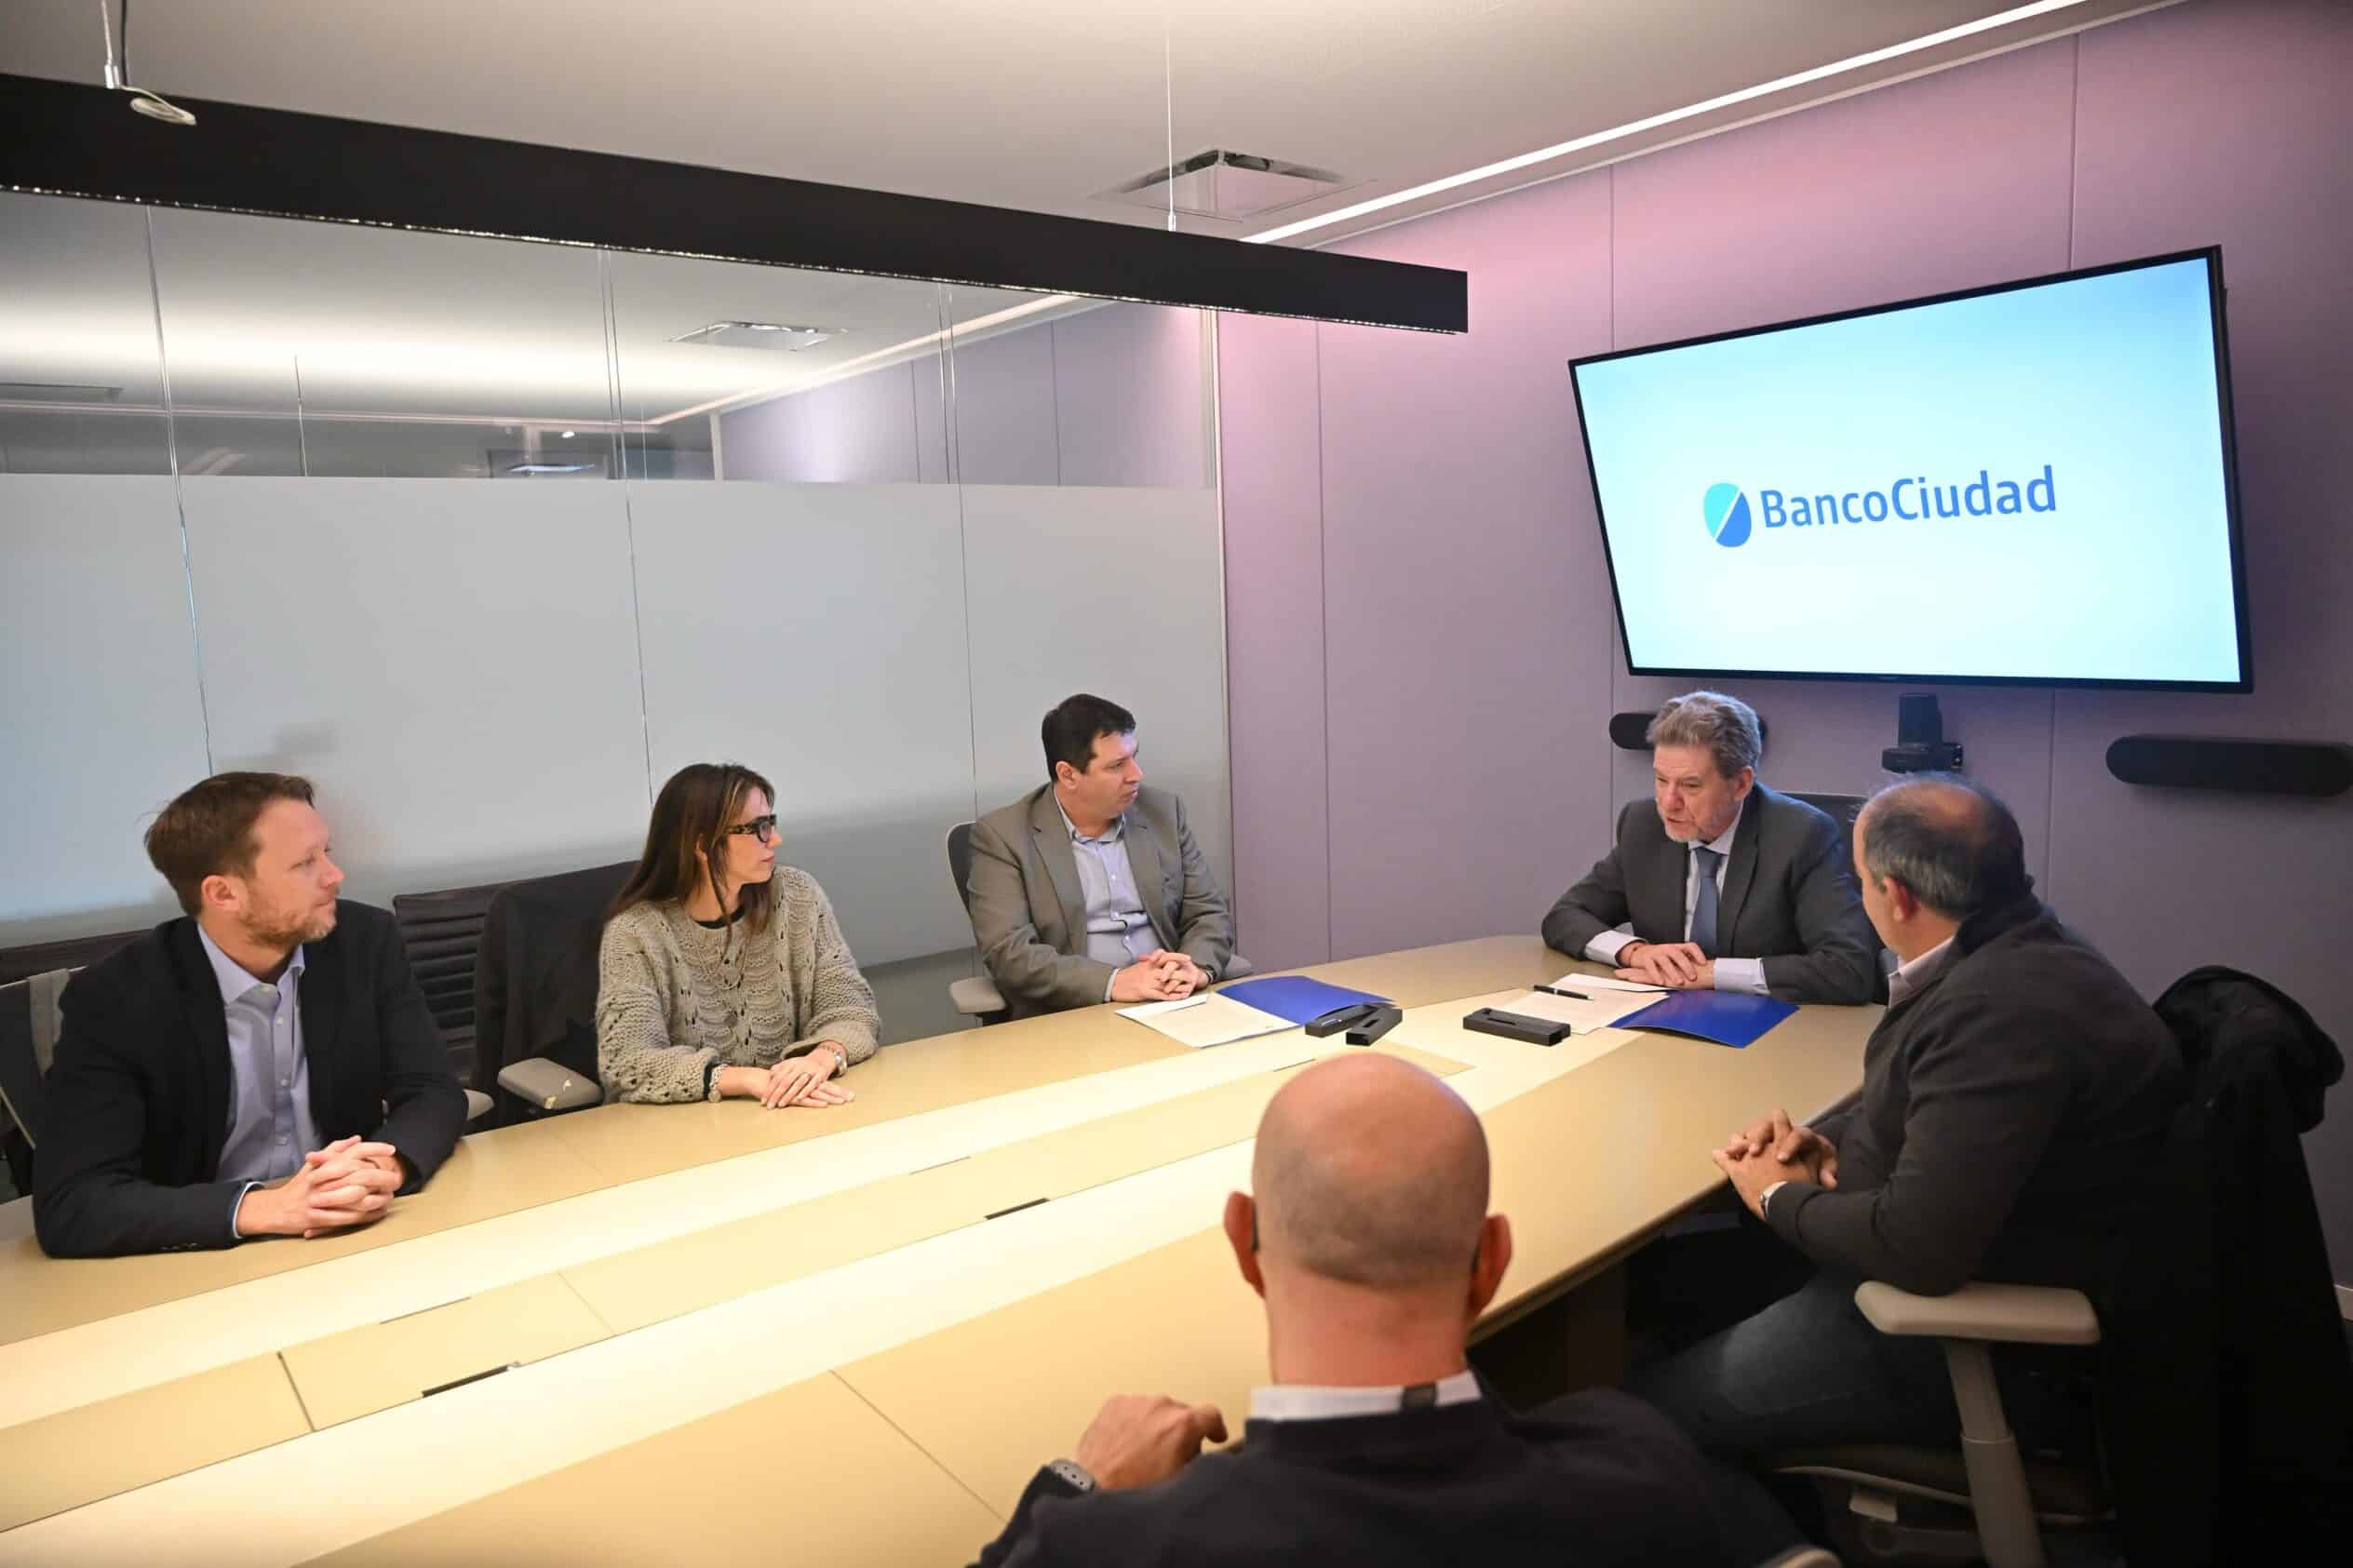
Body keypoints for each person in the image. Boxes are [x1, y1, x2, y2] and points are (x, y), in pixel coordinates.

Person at [972, 1054, 1808, 1567]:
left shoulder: (1109, 1544)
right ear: (1491, 1261)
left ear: (1242, 1242)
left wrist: (1076, 1484)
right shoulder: (1646, 1467)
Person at [1626, 774, 2185, 1457]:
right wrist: (1825, 1142)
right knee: (1650, 1293)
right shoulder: (2021, 948)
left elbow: (1918, 1249)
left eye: (1860, 880)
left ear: (1896, 896)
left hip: (1961, 1334)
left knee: (1639, 1419)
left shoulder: (2000, 1013)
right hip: (1944, 1258)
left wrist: (1775, 1195)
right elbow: (1936, 1114)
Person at [34, 772, 465, 1257]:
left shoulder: (364, 942)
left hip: (354, 1227)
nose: (334, 875)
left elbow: (432, 1089)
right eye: (305, 863)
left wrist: (380, 1168)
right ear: (223, 894)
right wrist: (268, 1208)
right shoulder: (115, 999)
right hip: (202, 1252)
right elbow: (74, 1203)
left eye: (326, 852)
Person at [1541, 690, 1876, 1003]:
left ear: (1741, 784)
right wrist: (1636, 952)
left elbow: (1849, 967)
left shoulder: (1801, 835)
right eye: (1661, 780)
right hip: (1663, 1014)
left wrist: (1711, 974)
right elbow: (1565, 916)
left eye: (1690, 785)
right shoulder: (1643, 825)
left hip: (1771, 1024)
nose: (1668, 803)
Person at [597, 762, 880, 1106]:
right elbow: (628, 1062)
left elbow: (851, 1009)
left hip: (792, 1111)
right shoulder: (635, 933)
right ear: (703, 845)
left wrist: (822, 1058)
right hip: (685, 1127)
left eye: (771, 822)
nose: (775, 838)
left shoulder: (798, 896)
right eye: (759, 827)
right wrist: (745, 1079)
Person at [966, 694, 1235, 1018]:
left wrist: (1196, 968)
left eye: (1134, 757)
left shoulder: (1163, 813)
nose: (1136, 774)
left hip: (1174, 1000)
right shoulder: (1004, 836)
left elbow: (1208, 912)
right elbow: (1011, 953)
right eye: (1116, 765)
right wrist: (1115, 982)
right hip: (1075, 1010)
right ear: (1068, 774)